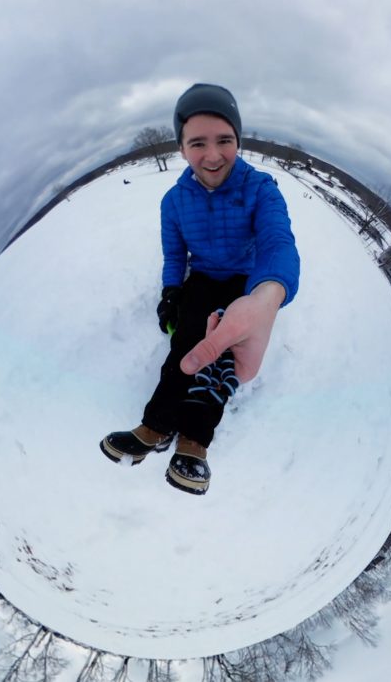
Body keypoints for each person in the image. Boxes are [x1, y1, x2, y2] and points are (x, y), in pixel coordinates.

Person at [100, 83, 300, 495]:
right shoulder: (173, 202)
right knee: (187, 343)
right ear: (182, 148)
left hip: (247, 283)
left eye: (224, 140)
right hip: (203, 278)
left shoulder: (261, 189)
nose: (212, 155)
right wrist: (171, 292)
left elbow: (278, 243)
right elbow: (174, 256)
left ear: (238, 140)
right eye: (198, 143)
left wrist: (267, 296)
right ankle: (155, 427)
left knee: (222, 352)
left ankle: (194, 443)